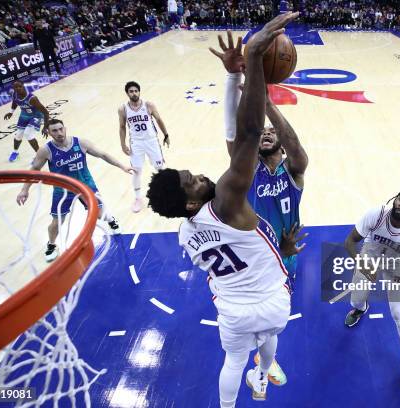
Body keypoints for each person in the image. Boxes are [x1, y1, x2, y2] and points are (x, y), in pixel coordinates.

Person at [146, 12, 300, 407]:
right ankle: (263, 377)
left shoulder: (185, 231)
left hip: (232, 310)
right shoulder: (227, 200)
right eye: (192, 180)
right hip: (274, 301)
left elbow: (234, 141)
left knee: (232, 360)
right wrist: (251, 63)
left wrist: (233, 80)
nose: (200, 175)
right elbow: (246, 135)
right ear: (192, 200)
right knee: (268, 338)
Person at [209, 30, 309, 386]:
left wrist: (266, 102)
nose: (266, 132)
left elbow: (294, 143)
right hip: (250, 257)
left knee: (272, 320)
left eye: (272, 133)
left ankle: (264, 365)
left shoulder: (293, 169)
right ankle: (248, 362)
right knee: (247, 323)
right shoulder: (245, 170)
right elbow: (234, 132)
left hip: (287, 255)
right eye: (262, 132)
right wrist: (236, 78)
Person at [343, 190, 400, 389]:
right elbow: (349, 242)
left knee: (398, 312)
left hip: (397, 267)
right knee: (356, 299)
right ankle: (361, 308)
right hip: (369, 259)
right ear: (394, 200)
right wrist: (362, 264)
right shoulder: (376, 214)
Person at [17, 119, 134, 262]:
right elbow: (34, 170)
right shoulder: (45, 150)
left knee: (99, 214)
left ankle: (111, 220)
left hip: (85, 185)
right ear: (48, 132)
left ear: (65, 128)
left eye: (61, 129)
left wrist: (122, 166)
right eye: (54, 130)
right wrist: (24, 190)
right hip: (63, 190)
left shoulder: (81, 143)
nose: (59, 133)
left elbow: (103, 154)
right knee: (57, 221)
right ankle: (52, 245)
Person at [118, 81, 170, 212]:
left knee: (159, 167)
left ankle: (165, 193)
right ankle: (137, 198)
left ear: (139, 92)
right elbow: (122, 127)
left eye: (136, 91)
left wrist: (166, 134)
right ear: (127, 93)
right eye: (131, 91)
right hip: (136, 143)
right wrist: (123, 144)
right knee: (136, 170)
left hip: (151, 140)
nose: (134, 93)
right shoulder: (123, 108)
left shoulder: (148, 105)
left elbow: (159, 120)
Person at [4, 81, 50, 162]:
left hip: (37, 116)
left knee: (28, 134)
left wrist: (45, 127)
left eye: (20, 86)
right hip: (24, 115)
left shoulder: (32, 98)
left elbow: (46, 112)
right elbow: (15, 102)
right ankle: (15, 152)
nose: (18, 88)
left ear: (23, 86)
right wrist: (11, 112)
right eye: (16, 87)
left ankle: (40, 156)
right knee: (18, 135)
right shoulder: (15, 94)